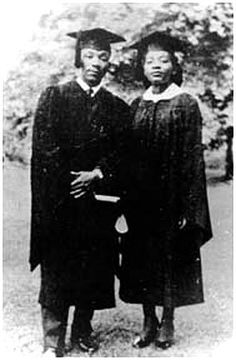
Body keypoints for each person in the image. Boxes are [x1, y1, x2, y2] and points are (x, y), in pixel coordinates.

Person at [30, 27, 130, 357]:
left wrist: (99, 173)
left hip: (96, 204)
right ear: (79, 58)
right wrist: (69, 181)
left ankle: (83, 332)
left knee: (92, 268)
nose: (96, 63)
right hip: (60, 202)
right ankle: (53, 338)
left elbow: (122, 153)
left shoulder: (116, 107)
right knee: (58, 269)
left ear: (109, 62)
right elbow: (44, 148)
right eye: (89, 56)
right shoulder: (55, 97)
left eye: (103, 57)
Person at [119, 31, 213, 350]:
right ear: (142, 67)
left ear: (174, 65)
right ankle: (148, 321)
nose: (156, 66)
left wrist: (191, 208)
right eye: (150, 61)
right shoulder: (136, 104)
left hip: (172, 199)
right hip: (140, 200)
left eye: (163, 60)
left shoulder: (186, 103)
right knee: (142, 259)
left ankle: (168, 321)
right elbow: (126, 155)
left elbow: (192, 158)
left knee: (171, 259)